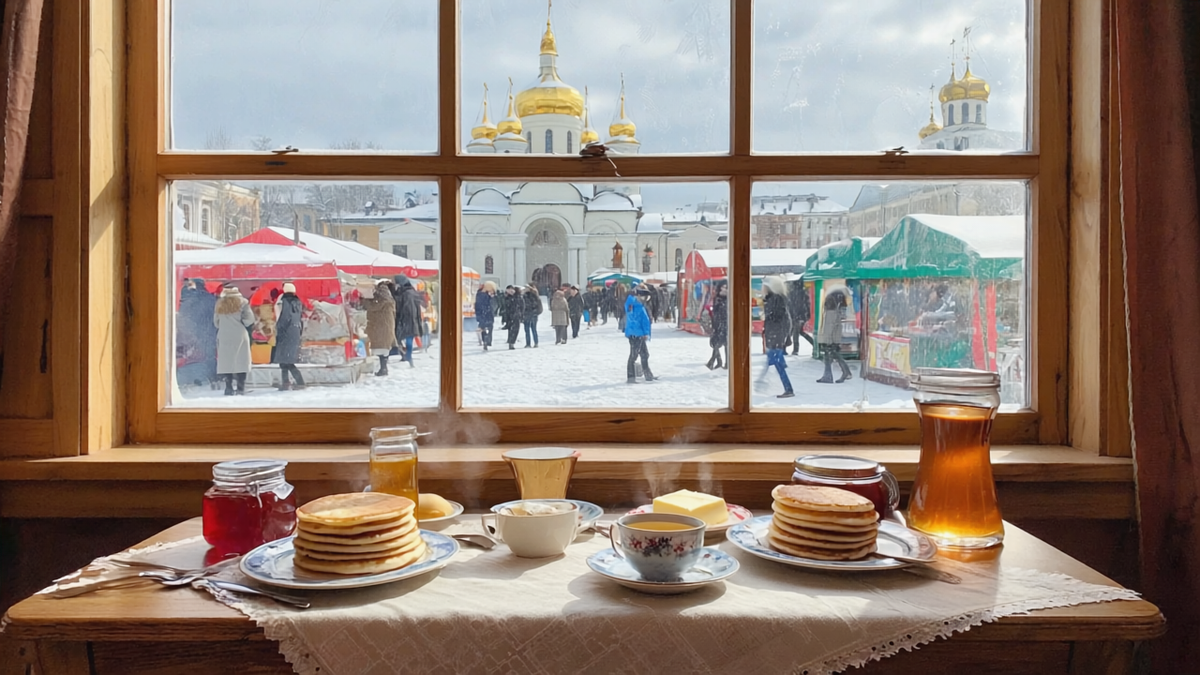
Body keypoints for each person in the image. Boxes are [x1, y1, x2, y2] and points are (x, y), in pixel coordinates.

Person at [213, 285, 254, 396]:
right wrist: (242, 322)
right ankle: (241, 388)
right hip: (239, 334)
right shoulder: (243, 302)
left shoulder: (219, 304)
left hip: (224, 334)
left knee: (227, 361)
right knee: (241, 360)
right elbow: (249, 319)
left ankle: (228, 387)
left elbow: (216, 322)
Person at [177, 277, 219, 388]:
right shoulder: (211, 299)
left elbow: (183, 318)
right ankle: (212, 379)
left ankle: (193, 380)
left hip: (195, 332)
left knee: (194, 356)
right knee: (210, 356)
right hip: (210, 331)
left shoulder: (188, 301)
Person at [761, 276, 795, 398]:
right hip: (775, 336)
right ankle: (762, 382)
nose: (762, 288)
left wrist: (777, 338)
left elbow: (780, 320)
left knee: (776, 362)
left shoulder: (775, 300)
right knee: (775, 361)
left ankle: (788, 388)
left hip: (776, 337)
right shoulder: (775, 299)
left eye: (764, 285)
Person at [273, 282, 306, 391]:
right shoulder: (298, 301)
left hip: (286, 332)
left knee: (285, 359)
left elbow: (285, 317)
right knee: (286, 358)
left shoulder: (285, 301)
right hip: (295, 331)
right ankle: (286, 381)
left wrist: (279, 328)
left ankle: (298, 382)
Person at [817, 289, 853, 384]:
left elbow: (829, 328)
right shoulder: (838, 311)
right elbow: (837, 327)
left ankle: (831, 375)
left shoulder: (830, 313)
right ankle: (843, 372)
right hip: (834, 339)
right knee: (833, 355)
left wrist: (826, 341)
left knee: (830, 355)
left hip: (830, 339)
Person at [363, 278, 397, 375]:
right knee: (384, 347)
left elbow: (375, 306)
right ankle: (383, 368)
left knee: (381, 346)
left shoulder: (382, 296)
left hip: (381, 325)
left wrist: (365, 301)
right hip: (385, 324)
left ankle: (383, 368)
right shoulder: (388, 296)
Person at [625, 286, 655, 384]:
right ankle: (631, 377)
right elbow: (640, 321)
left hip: (639, 334)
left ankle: (648, 375)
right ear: (639, 296)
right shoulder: (635, 306)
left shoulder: (637, 305)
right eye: (644, 297)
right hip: (636, 335)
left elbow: (644, 321)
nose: (645, 300)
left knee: (644, 354)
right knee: (633, 356)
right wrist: (645, 333)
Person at [392, 275, 423, 367]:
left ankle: (408, 356)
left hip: (407, 319)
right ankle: (406, 355)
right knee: (408, 338)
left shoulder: (406, 293)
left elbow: (404, 307)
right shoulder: (411, 292)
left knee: (405, 338)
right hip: (413, 319)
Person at [788, 277, 814, 355]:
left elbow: (790, 305)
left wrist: (791, 315)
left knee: (796, 332)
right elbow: (807, 305)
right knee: (799, 332)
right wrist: (806, 316)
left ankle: (795, 350)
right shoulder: (804, 293)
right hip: (801, 316)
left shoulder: (792, 293)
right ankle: (814, 344)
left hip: (795, 316)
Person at [706, 281, 728, 370]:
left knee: (727, 344)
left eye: (726, 287)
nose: (724, 289)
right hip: (717, 323)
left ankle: (725, 363)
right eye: (722, 287)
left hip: (727, 323)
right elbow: (715, 311)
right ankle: (717, 361)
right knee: (715, 343)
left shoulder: (730, 298)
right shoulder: (717, 298)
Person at [475, 281, 497, 351]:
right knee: (487, 328)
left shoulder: (480, 294)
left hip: (484, 314)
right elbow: (491, 305)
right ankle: (486, 341)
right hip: (486, 314)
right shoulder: (484, 295)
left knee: (484, 328)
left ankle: (485, 341)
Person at [501, 285, 521, 350]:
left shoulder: (518, 297)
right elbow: (504, 306)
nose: (511, 291)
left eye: (511, 290)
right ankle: (510, 342)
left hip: (516, 316)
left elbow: (522, 306)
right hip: (509, 316)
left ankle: (512, 342)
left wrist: (521, 314)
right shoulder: (506, 297)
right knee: (511, 330)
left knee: (515, 330)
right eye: (509, 290)